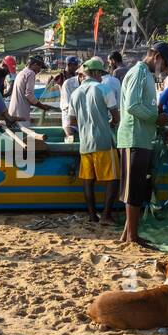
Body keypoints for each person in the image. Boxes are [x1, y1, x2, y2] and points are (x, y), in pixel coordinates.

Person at [117, 40, 168, 245]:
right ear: (157, 57)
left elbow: (145, 109)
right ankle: (132, 237)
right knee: (133, 189)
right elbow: (133, 106)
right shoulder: (139, 73)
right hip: (134, 138)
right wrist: (155, 119)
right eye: (166, 65)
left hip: (142, 137)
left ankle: (128, 234)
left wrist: (160, 128)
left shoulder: (146, 76)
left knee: (137, 188)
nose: (166, 70)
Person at [68, 58, 121, 223]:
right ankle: (106, 214)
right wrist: (109, 123)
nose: (102, 77)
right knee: (112, 179)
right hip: (103, 141)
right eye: (101, 74)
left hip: (85, 144)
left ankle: (92, 215)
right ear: (97, 73)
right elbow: (116, 116)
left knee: (88, 181)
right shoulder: (103, 89)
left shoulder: (75, 93)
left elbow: (71, 121)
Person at [9, 54, 56, 123]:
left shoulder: (21, 73)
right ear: (35, 64)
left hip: (13, 112)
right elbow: (29, 95)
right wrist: (42, 106)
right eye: (40, 67)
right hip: (21, 114)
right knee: (22, 133)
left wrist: (38, 105)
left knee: (17, 132)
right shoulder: (31, 73)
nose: (40, 70)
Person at [57, 56, 81, 139]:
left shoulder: (76, 75)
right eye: (75, 65)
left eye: (77, 65)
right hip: (67, 107)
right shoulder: (60, 76)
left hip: (77, 107)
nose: (76, 67)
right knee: (69, 133)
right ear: (69, 65)